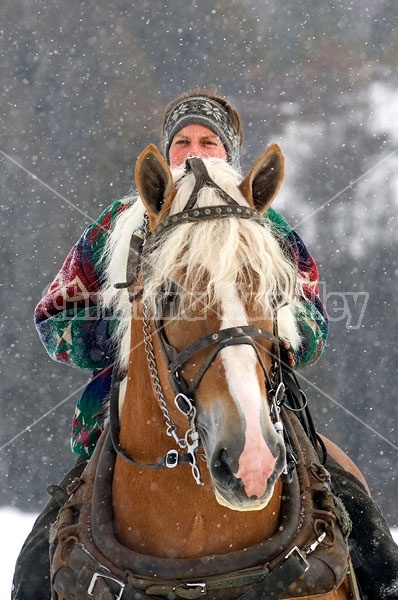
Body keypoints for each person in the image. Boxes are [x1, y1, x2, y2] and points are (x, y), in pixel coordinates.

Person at [12, 89, 398, 600]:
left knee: (369, 540)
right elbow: (53, 317)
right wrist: (129, 329)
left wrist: (272, 325)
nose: (194, 151)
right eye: (183, 141)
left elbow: (312, 320)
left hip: (264, 415)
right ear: (166, 153)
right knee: (37, 565)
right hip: (122, 427)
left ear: (229, 153)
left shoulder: (269, 228)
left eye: (209, 141)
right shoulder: (115, 225)